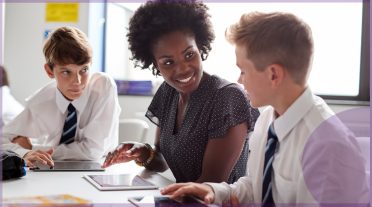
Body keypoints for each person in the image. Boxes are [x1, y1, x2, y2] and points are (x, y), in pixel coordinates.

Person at [160, 12, 369, 205]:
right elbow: (254, 187)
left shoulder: (327, 146)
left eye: (243, 71)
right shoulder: (268, 119)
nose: (239, 80)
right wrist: (212, 191)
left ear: (273, 75)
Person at [103, 0, 259, 184]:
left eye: (189, 54)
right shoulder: (168, 92)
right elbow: (162, 160)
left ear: (200, 47)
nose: (183, 69)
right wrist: (143, 152)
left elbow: (211, 184)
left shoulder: (227, 97)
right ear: (155, 64)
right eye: (168, 62)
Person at [2, 26, 121, 168]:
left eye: (84, 70)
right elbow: (3, 139)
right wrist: (24, 153)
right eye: (66, 72)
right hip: (55, 169)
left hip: (101, 168)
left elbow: (93, 151)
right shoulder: (41, 101)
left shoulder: (102, 86)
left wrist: (34, 149)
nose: (77, 81)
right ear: (49, 71)